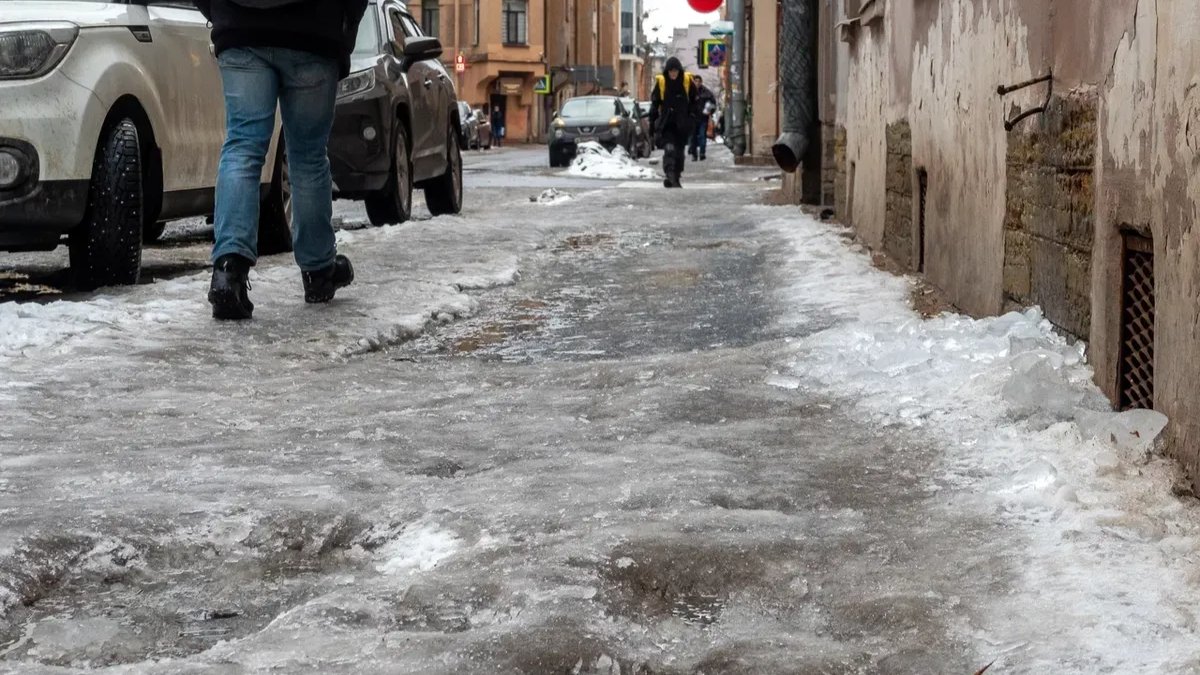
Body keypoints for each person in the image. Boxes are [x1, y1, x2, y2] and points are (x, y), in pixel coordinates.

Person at [197, 0, 367, 321]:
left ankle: (228, 270)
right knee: (308, 156)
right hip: (314, 32)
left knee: (242, 148)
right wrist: (346, 27)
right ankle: (319, 272)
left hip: (240, 29)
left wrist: (219, 10)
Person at [649, 56, 699, 188]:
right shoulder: (661, 83)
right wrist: (652, 124)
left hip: (682, 124)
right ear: (667, 71)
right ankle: (669, 175)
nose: (673, 74)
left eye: (675, 71)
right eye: (671, 71)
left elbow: (695, 102)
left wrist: (692, 117)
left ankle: (676, 176)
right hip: (667, 124)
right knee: (669, 149)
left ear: (679, 71)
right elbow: (655, 104)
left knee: (679, 152)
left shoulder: (687, 82)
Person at [689, 75, 718, 161]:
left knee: (702, 136)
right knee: (693, 137)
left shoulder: (706, 92)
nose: (697, 83)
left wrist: (710, 111)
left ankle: (702, 153)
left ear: (701, 82)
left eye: (699, 81)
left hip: (703, 118)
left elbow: (713, 103)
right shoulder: (689, 92)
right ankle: (694, 155)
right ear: (693, 82)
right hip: (693, 118)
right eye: (695, 81)